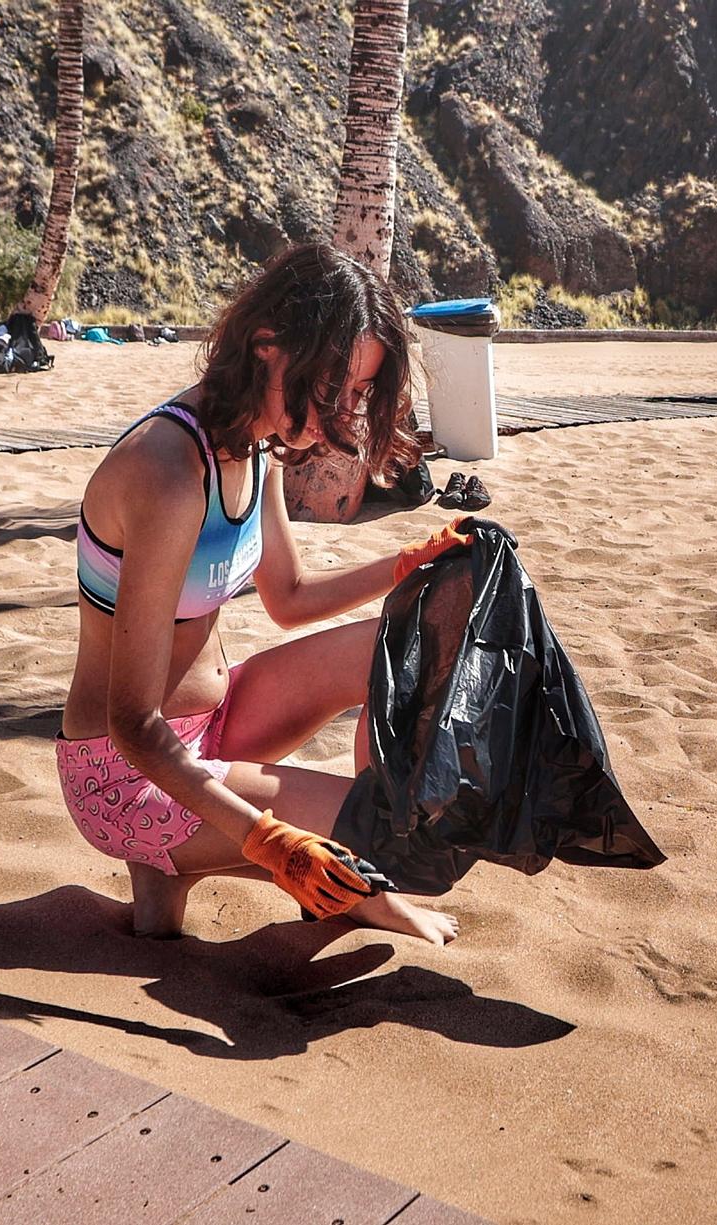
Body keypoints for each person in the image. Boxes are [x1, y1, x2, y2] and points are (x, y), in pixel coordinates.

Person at [57, 243, 462, 944]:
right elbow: (132, 722)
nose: (338, 409)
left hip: (215, 728)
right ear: (267, 345)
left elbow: (292, 596)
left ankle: (338, 867)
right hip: (124, 772)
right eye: (330, 383)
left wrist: (402, 566)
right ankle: (332, 869)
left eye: (355, 392)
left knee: (396, 647)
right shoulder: (168, 471)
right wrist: (270, 841)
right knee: (390, 849)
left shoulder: (255, 443)